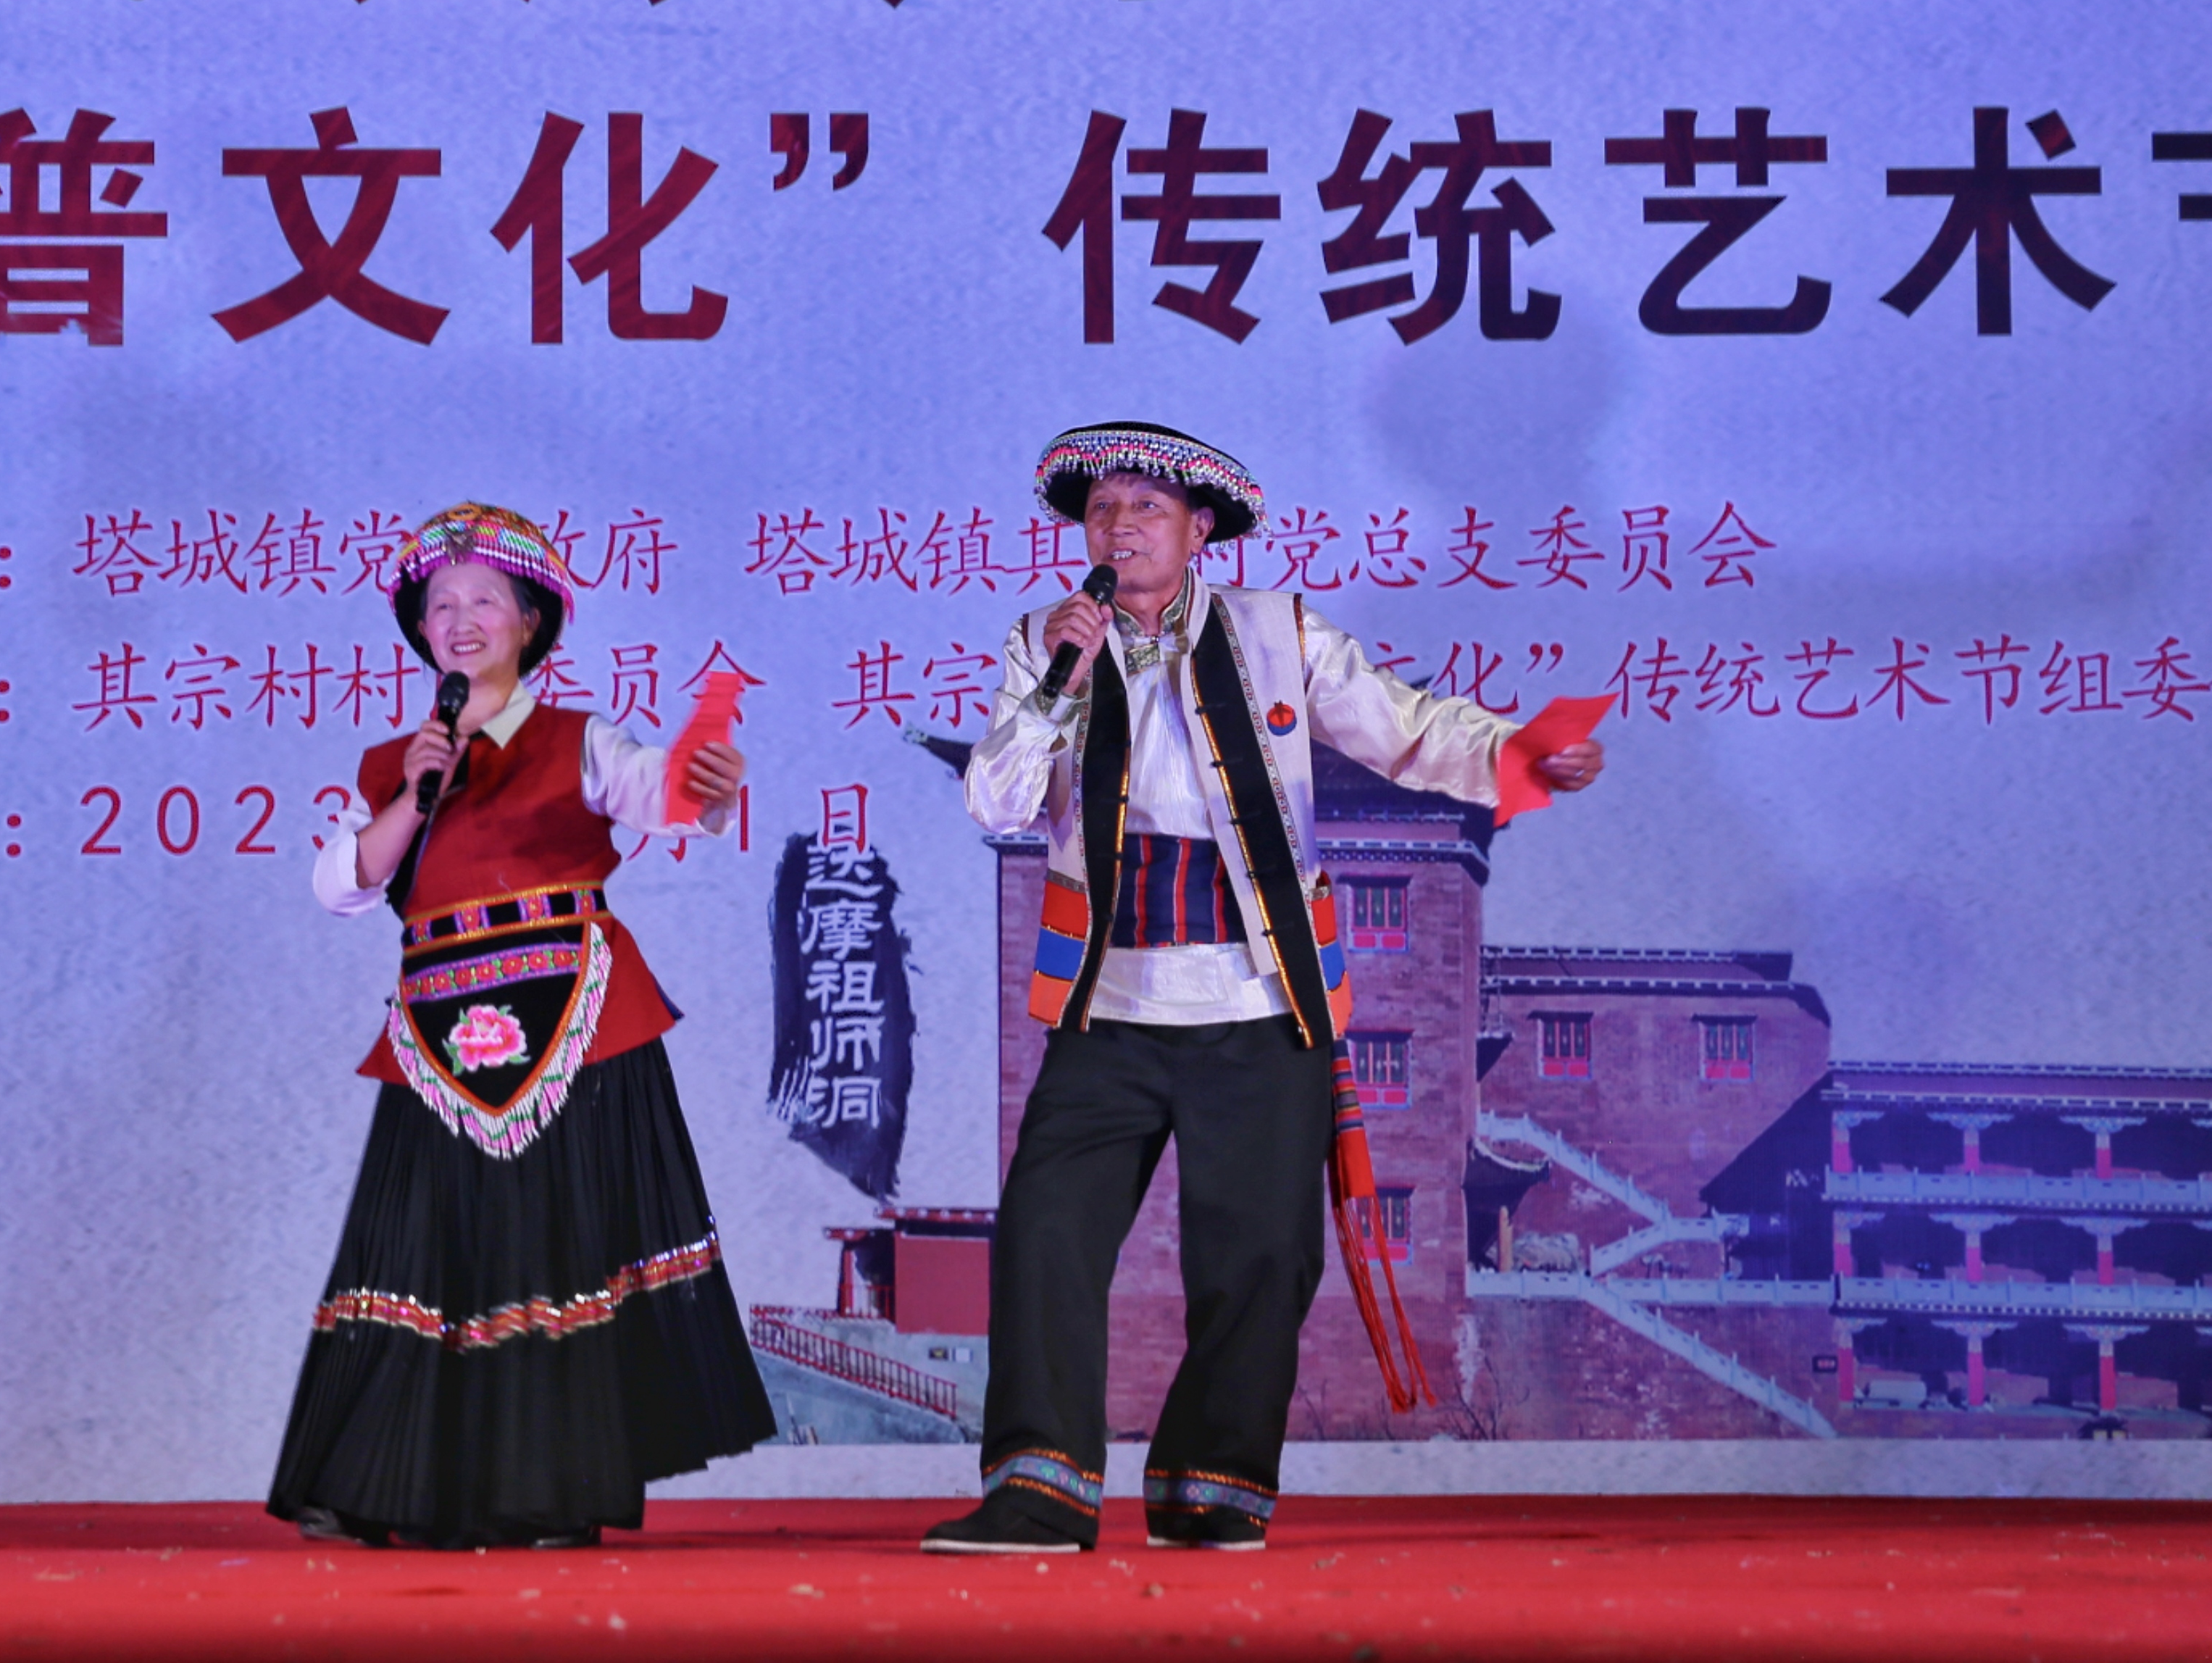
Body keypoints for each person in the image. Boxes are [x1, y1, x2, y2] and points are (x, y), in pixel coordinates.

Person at [923, 424, 1603, 1554]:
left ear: (1199, 531)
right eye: (1102, 511)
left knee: (1260, 1258)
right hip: (1108, 1003)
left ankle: (1212, 1484)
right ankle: (1040, 1488)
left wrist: (1520, 754)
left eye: (1146, 509)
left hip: (1260, 997)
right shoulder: (1045, 642)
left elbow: (1407, 731)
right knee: (1045, 1233)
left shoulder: (1280, 636)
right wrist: (1052, 686)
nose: (1119, 528)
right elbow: (998, 804)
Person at [267, 503, 775, 1549]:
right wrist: (417, 794)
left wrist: (710, 787)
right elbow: (341, 883)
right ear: (421, 629)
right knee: (421, 1252)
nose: (461, 620)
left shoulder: (578, 740)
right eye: (441, 605)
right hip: (439, 1033)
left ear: (531, 623)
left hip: (574, 1024)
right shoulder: (394, 762)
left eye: (485, 601)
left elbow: (667, 796)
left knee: (558, 1245)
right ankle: (378, 1485)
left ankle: (551, 1492)